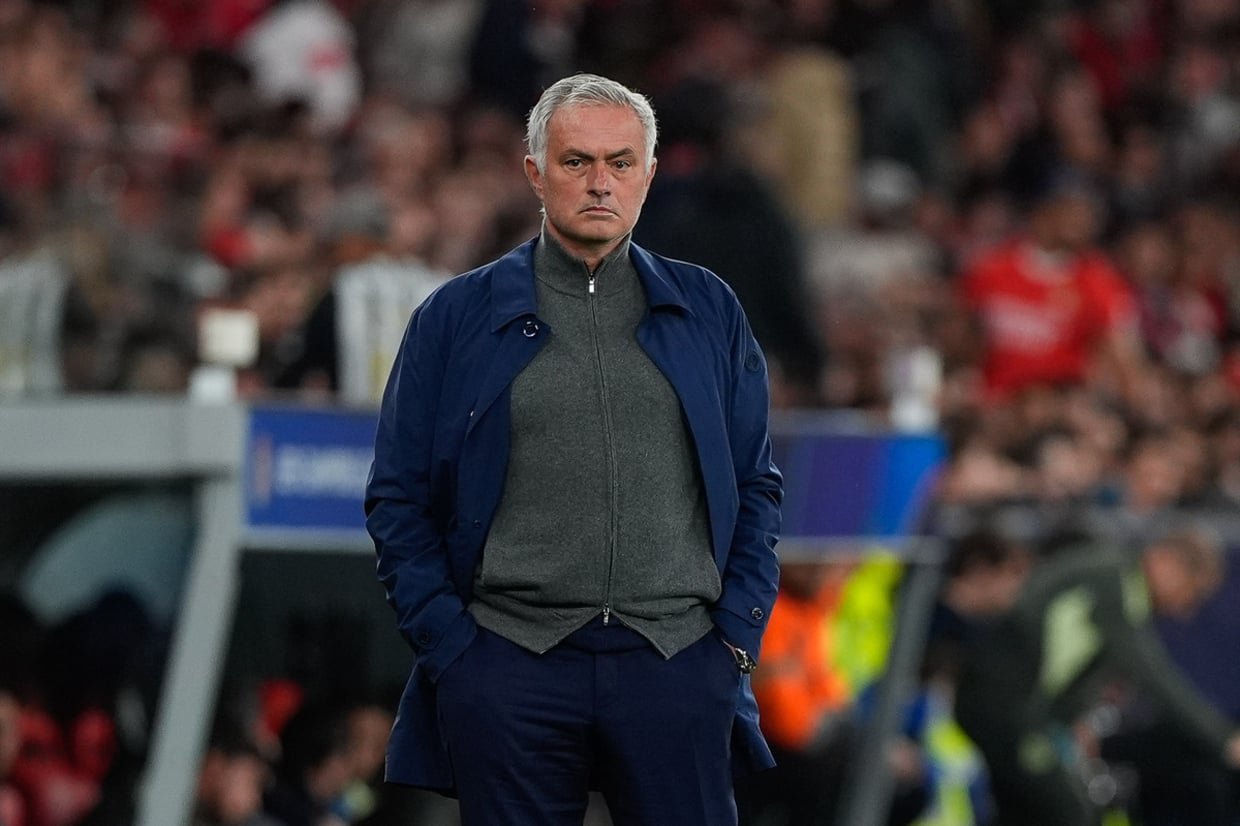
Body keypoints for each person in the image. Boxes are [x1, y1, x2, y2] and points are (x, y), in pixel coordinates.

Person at [365, 72, 783, 826]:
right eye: (576, 161)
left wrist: (734, 641)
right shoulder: (454, 317)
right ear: (535, 173)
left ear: (648, 175)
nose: (600, 183)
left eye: (621, 163)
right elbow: (397, 495)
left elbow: (757, 484)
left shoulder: (708, 308)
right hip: (508, 662)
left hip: (678, 660)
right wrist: (452, 648)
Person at [954, 527, 1240, 826]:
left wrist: (1067, 721)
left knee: (1034, 810)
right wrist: (1222, 738)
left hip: (1012, 708)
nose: (1185, 608)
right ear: (1167, 563)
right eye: (1192, 591)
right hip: (1003, 706)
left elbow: (1070, 665)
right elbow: (1152, 674)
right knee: (1068, 810)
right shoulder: (1116, 582)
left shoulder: (1111, 578)